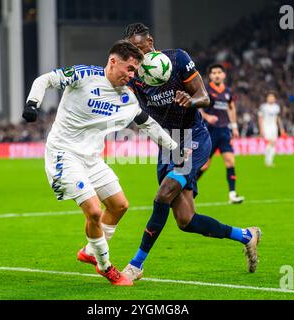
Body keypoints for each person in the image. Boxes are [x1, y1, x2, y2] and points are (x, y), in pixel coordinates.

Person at [22, 40, 178, 286]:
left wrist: (175, 149)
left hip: (92, 158)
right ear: (113, 61)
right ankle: (106, 267)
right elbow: (45, 80)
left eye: (134, 71)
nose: (131, 75)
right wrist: (33, 103)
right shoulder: (84, 75)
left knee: (119, 206)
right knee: (94, 211)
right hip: (64, 154)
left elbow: (148, 124)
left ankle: (89, 251)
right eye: (128, 68)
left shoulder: (127, 98)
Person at [121, 23, 262, 281]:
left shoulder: (177, 59)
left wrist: (190, 99)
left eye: (142, 49)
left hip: (193, 139)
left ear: (151, 42)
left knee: (163, 194)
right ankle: (247, 235)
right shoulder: (133, 77)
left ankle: (136, 265)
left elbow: (204, 97)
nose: (141, 57)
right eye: (134, 53)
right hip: (167, 144)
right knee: (186, 221)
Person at [197, 63, 245, 204]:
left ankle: (232, 194)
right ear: (210, 76)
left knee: (230, 161)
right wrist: (207, 117)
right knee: (204, 165)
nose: (217, 74)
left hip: (224, 130)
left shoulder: (228, 91)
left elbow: (231, 108)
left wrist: (235, 126)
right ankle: (187, 188)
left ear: (224, 75)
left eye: (219, 72)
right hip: (209, 131)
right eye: (214, 72)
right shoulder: (205, 90)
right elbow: (197, 107)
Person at [258, 92, 285, 167]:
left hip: (274, 127)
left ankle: (269, 160)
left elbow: (278, 118)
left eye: (272, 97)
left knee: (273, 144)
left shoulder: (276, 107)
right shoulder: (263, 107)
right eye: (270, 97)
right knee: (271, 142)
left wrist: (281, 128)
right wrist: (261, 129)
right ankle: (268, 159)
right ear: (267, 98)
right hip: (266, 126)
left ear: (274, 99)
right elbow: (260, 118)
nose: (271, 99)